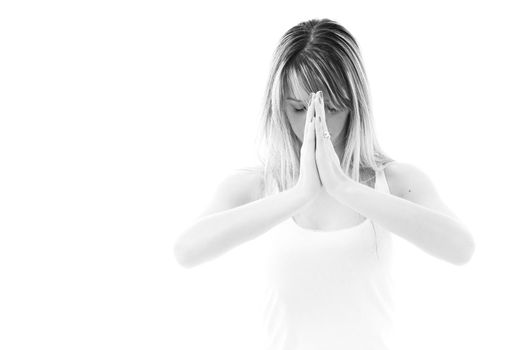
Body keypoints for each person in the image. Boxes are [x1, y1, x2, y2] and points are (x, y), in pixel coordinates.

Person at [174, 18, 476, 350]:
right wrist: (300, 193)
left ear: (354, 105)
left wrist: (344, 187)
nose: (314, 123)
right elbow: (186, 251)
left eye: (330, 108)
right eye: (299, 108)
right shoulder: (255, 186)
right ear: (278, 107)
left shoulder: (395, 181)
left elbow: (461, 249)